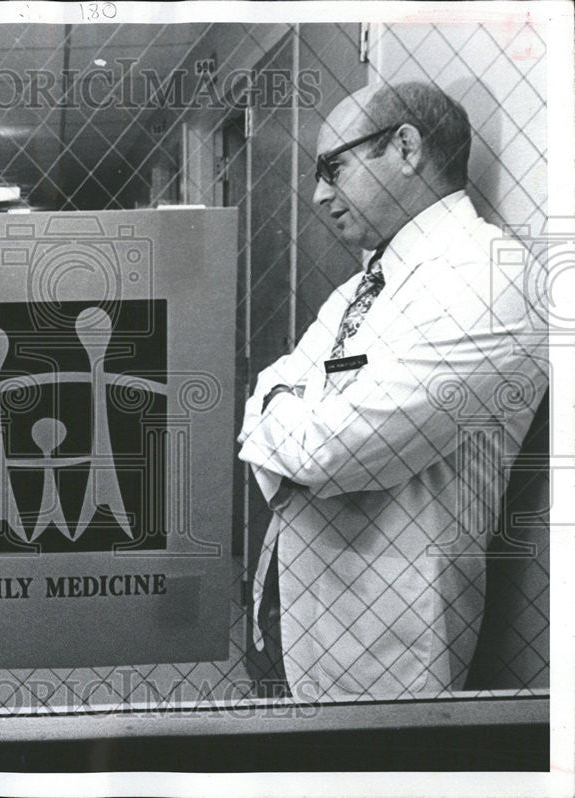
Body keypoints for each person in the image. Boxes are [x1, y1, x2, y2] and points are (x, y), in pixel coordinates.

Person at [236, 81, 547, 699]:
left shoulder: (492, 277)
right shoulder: (367, 284)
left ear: (406, 148)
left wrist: (285, 413)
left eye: (334, 167)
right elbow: (270, 383)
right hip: (302, 595)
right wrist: (284, 407)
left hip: (394, 630)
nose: (319, 194)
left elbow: (334, 453)